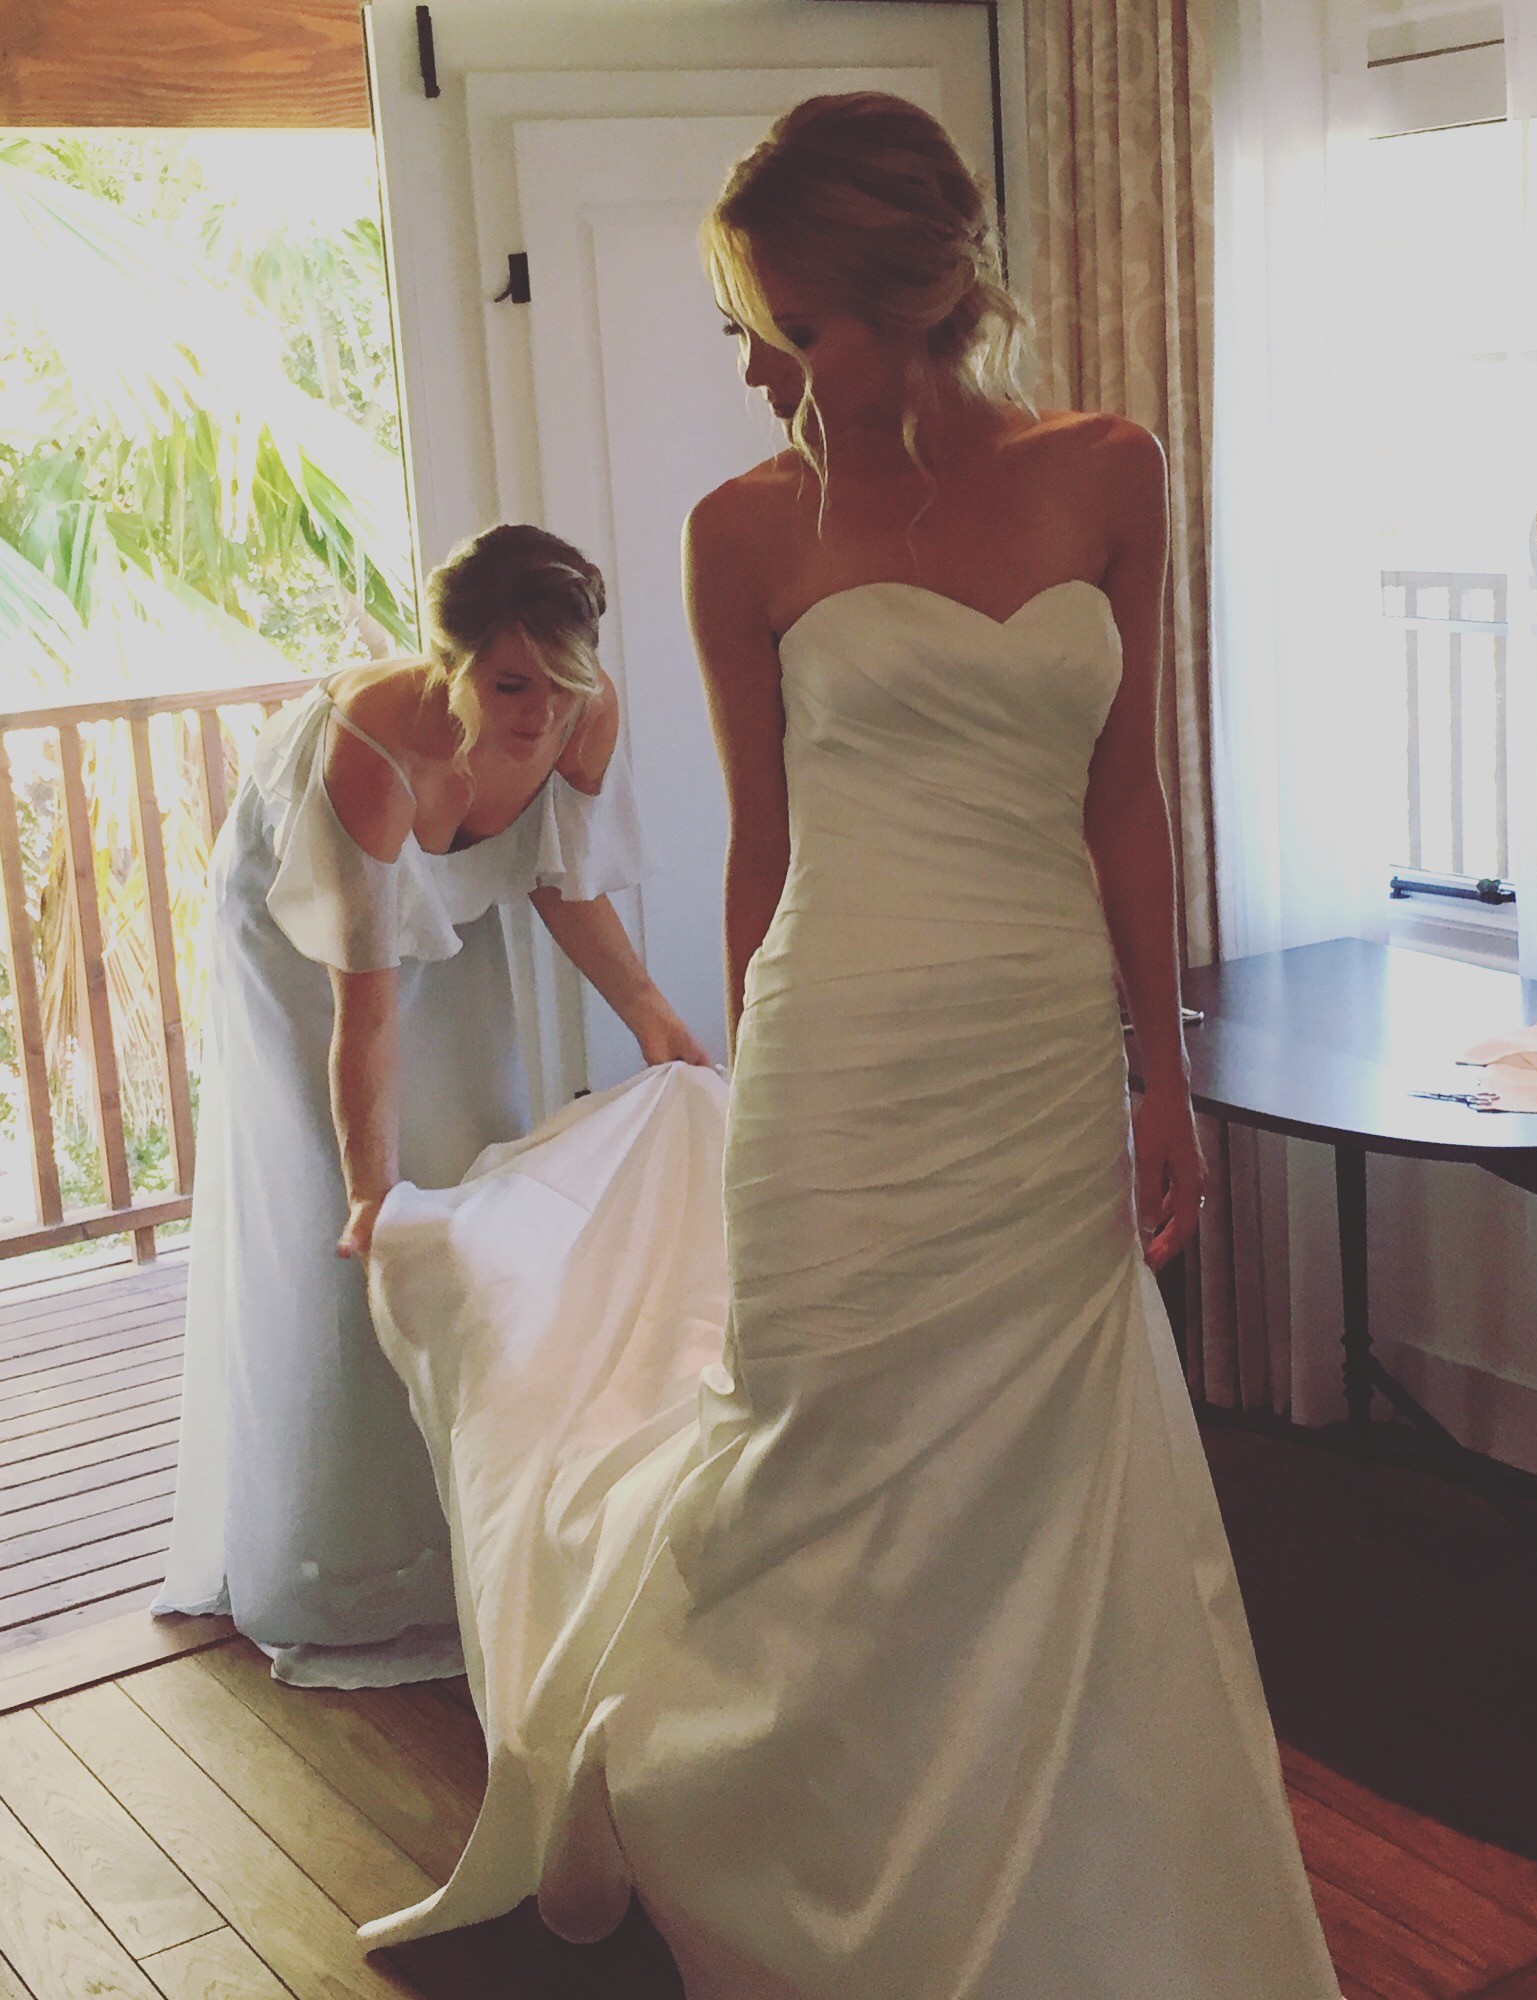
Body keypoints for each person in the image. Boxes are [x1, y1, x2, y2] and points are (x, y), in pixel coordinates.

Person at [360, 96, 1341, 1996]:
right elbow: (764, 842)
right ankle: (783, 1845)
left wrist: (1167, 1075)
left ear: (932, 293)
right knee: (823, 1462)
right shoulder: (745, 530)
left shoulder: (1109, 471)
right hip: (842, 1059)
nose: (759, 371)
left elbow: (1123, 801)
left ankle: (1078, 1877)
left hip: (1039, 1057)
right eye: (752, 327)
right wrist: (735, 1075)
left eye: (794, 327)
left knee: (1048, 1484)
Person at [155, 523, 707, 1688]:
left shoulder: (580, 711)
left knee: (470, 1184)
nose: (540, 717)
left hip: (444, 943)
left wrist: (650, 1011)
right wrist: (368, 1188)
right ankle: (342, 1569)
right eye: (511, 685)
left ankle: (474, 1544)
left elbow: (558, 879)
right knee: (351, 1224)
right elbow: (364, 1009)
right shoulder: (376, 750)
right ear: (446, 663)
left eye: (563, 684)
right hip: (305, 946)